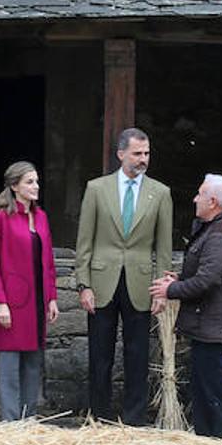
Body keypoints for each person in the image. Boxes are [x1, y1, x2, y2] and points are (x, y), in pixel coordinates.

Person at [74, 128, 173, 425]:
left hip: (141, 284)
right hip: (102, 283)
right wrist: (84, 284)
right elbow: (85, 242)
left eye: (146, 154)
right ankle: (100, 418)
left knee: (138, 355)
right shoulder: (96, 189)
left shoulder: (161, 193)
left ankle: (134, 419)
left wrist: (161, 290)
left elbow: (164, 247)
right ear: (121, 154)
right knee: (99, 355)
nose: (143, 159)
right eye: (137, 154)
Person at [150, 174, 222, 440]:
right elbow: (208, 274)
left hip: (215, 327)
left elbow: (209, 280)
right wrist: (180, 280)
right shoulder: (214, 230)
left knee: (217, 395)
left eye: (200, 193)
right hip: (209, 326)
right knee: (205, 394)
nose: (195, 198)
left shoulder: (218, 235)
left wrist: (171, 290)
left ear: (212, 202)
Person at [0, 161, 59, 420]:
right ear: (14, 186)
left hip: (36, 301)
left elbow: (48, 261)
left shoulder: (41, 217)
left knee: (32, 363)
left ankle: (29, 420)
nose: (36, 186)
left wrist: (51, 298)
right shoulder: (1, 217)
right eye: (29, 182)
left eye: (37, 181)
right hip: (12, 301)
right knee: (10, 365)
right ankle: (10, 422)